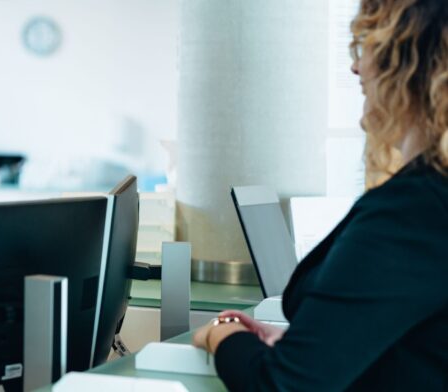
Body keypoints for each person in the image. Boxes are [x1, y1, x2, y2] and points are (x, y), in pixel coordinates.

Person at [192, 0, 448, 389]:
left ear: (408, 65)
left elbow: (280, 386)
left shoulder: (412, 211)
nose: (355, 67)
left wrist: (222, 331)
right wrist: (320, 346)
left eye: (367, 46)